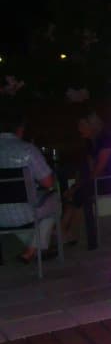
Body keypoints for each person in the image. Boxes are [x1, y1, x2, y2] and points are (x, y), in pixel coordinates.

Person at [0, 109, 60, 263]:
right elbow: (48, 183)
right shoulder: (27, 150)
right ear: (20, 128)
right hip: (24, 214)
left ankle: (34, 247)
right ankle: (33, 250)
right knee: (54, 200)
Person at [60, 111, 111, 249]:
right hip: (101, 179)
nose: (79, 129)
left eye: (82, 125)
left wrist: (77, 187)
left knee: (80, 192)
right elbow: (90, 169)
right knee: (75, 192)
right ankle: (65, 232)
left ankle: (63, 231)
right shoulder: (90, 142)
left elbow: (99, 169)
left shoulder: (106, 140)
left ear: (92, 126)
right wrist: (77, 184)